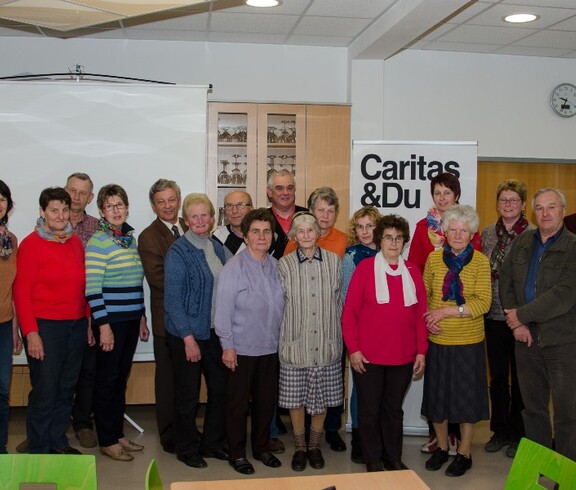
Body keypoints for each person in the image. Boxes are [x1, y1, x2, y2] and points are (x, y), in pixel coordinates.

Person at [343, 214, 427, 472]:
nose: (393, 243)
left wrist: (421, 351)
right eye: (388, 237)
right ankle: (372, 459)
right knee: (369, 412)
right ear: (380, 240)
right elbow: (349, 314)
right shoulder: (365, 269)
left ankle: (392, 458)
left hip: (402, 356)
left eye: (398, 238)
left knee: (393, 411)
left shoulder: (412, 271)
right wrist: (354, 350)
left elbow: (421, 315)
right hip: (368, 356)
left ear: (404, 242)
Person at [500, 188, 576, 462]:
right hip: (526, 340)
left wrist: (521, 315)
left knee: (568, 413)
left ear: (563, 211)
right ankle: (540, 468)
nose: (545, 213)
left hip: (563, 342)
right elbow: (506, 279)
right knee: (533, 410)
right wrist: (516, 322)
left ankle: (568, 474)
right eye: (540, 208)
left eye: (551, 207)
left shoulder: (573, 247)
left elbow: (564, 294)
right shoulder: (521, 242)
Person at [408, 172, 480, 455]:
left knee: (459, 384)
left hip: (462, 321)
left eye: (447, 193)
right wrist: (426, 315)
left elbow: (476, 270)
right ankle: (438, 438)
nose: (442, 197)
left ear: (456, 196)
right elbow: (415, 268)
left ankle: (458, 441)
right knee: (437, 383)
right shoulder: (422, 226)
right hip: (433, 312)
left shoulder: (468, 228)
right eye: (437, 192)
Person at [14, 187, 88, 454]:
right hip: (45, 327)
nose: (60, 215)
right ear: (42, 212)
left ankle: (58, 442)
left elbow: (83, 286)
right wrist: (31, 333)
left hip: (76, 325)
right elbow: (21, 293)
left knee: (66, 389)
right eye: (54, 210)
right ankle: (39, 446)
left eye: (64, 209)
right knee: (45, 389)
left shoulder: (75, 242)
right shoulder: (31, 245)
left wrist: (88, 320)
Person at [421, 204, 491, 477]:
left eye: (464, 230)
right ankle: (441, 447)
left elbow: (483, 302)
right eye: (453, 229)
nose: (459, 234)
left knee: (465, 402)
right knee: (438, 400)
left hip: (469, 342)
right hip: (438, 340)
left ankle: (464, 452)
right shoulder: (434, 260)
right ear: (445, 232)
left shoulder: (481, 262)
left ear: (471, 232)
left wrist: (446, 311)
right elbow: (425, 295)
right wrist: (430, 318)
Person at [215, 208, 285, 475]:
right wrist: (227, 346)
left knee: (266, 402)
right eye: (255, 231)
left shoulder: (276, 266)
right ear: (245, 236)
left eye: (266, 231)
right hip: (241, 349)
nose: (261, 236)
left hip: (269, 348)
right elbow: (222, 311)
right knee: (237, 405)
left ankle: (261, 447)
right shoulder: (234, 268)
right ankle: (236, 452)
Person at [164, 193, 229, 469]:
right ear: (186, 220)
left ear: (212, 218)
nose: (201, 220)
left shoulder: (218, 247)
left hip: (213, 334)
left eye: (205, 215)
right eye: (195, 216)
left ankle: (212, 444)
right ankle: (186, 447)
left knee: (220, 390)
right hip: (185, 335)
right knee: (188, 395)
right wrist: (188, 338)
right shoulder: (178, 251)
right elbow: (173, 302)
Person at [86, 184, 149, 462]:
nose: (115, 210)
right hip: (110, 322)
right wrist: (103, 326)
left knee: (119, 380)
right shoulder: (99, 242)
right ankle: (107, 440)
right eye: (109, 206)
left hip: (131, 320)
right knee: (107, 381)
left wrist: (142, 316)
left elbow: (136, 283)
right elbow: (92, 289)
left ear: (126, 207)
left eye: (120, 205)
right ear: (101, 211)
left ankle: (118, 433)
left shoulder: (128, 239)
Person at [278, 212, 343, 472]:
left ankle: (315, 446)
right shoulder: (283, 265)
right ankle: (300, 447)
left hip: (326, 341)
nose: (305, 235)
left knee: (322, 399)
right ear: (294, 235)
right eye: (300, 231)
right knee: (296, 400)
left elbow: (339, 303)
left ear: (318, 233)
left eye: (310, 230)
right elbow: (279, 305)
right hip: (296, 342)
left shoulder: (333, 262)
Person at [480, 180, 531, 458]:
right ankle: (499, 430)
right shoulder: (488, 233)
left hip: (521, 316)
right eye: (503, 200)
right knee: (498, 376)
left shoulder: (533, 234)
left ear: (523, 205)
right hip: (493, 315)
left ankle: (518, 433)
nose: (508, 205)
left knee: (522, 377)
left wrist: (522, 315)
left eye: (513, 200)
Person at [138, 179, 187, 455]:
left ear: (178, 200)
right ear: (154, 205)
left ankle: (185, 427)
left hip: (193, 320)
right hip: (165, 319)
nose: (167, 206)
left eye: (171, 200)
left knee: (187, 379)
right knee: (168, 379)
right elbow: (158, 279)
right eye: (161, 201)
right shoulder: (148, 236)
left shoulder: (191, 224)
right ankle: (168, 433)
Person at [341, 205, 381, 464]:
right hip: (361, 334)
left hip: (386, 333)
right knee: (361, 389)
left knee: (383, 390)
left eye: (370, 226)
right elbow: (346, 300)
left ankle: (377, 438)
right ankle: (358, 440)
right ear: (354, 231)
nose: (365, 231)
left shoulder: (390, 253)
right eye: (360, 227)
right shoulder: (351, 256)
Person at [66, 173, 100, 449]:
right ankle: (46, 425)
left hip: (89, 310)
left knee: (88, 371)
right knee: (55, 372)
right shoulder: (49, 223)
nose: (76, 197)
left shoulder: (98, 228)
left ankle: (83, 423)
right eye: (72, 191)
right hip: (56, 311)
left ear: (90, 198)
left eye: (82, 193)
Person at [0, 180, 22, 454]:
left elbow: (13, 287)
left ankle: (0, 448)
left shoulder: (10, 240)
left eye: (3, 199)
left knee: (2, 391)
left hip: (4, 325)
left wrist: (16, 328)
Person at [283, 186, 347, 258]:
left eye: (330, 211)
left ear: (336, 213)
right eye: (321, 210)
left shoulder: (345, 241)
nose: (325, 216)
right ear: (311, 211)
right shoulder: (297, 239)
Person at [267, 170, 307, 259]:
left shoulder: (308, 216)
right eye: (279, 188)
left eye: (290, 188)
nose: (285, 192)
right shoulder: (261, 219)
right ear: (270, 192)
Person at [212, 190, 253, 256]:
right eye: (229, 205)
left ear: (251, 209)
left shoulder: (263, 235)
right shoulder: (217, 237)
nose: (234, 211)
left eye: (240, 205)